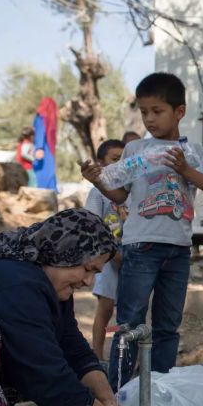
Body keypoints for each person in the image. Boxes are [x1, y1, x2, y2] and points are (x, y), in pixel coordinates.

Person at [78, 72, 203, 389]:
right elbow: (120, 195)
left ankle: (158, 391)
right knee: (130, 322)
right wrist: (97, 180)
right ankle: (118, 393)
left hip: (178, 251)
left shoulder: (194, 152)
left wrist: (185, 170)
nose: (149, 119)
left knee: (167, 326)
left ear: (180, 111)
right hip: (140, 247)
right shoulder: (136, 152)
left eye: (157, 111)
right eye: (144, 112)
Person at [0, 209, 128, 406]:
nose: (89, 282)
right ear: (62, 252)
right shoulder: (17, 282)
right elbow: (43, 375)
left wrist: (109, 404)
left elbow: (71, 346)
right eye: (87, 269)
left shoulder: (47, 283)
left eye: (96, 273)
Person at [85, 139, 128, 362]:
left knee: (129, 311)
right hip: (108, 259)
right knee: (106, 307)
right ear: (101, 163)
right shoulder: (98, 193)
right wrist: (111, 253)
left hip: (131, 257)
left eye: (123, 159)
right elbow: (91, 224)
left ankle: (125, 357)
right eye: (114, 159)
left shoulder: (132, 188)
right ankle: (97, 356)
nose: (119, 163)